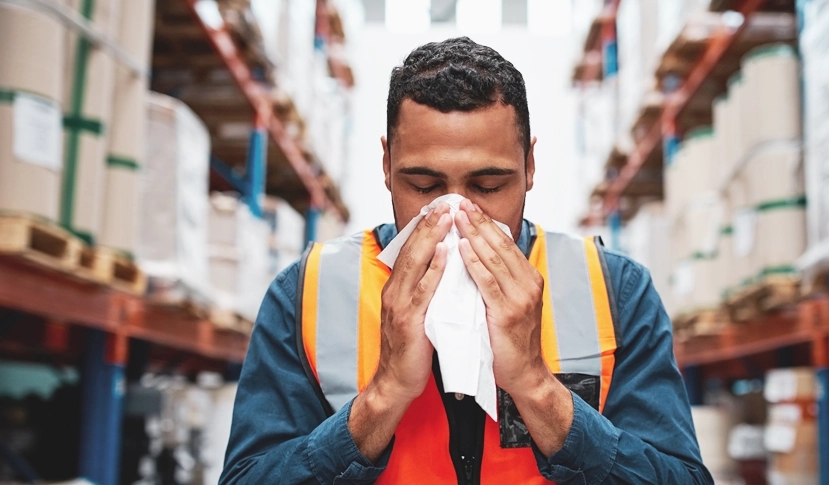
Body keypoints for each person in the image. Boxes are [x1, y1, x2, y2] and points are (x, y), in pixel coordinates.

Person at [220, 37, 713, 485]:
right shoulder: (308, 293)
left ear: (530, 167)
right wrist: (382, 397)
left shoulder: (613, 291)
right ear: (387, 165)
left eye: (489, 186)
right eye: (424, 186)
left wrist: (539, 390)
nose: (455, 214)